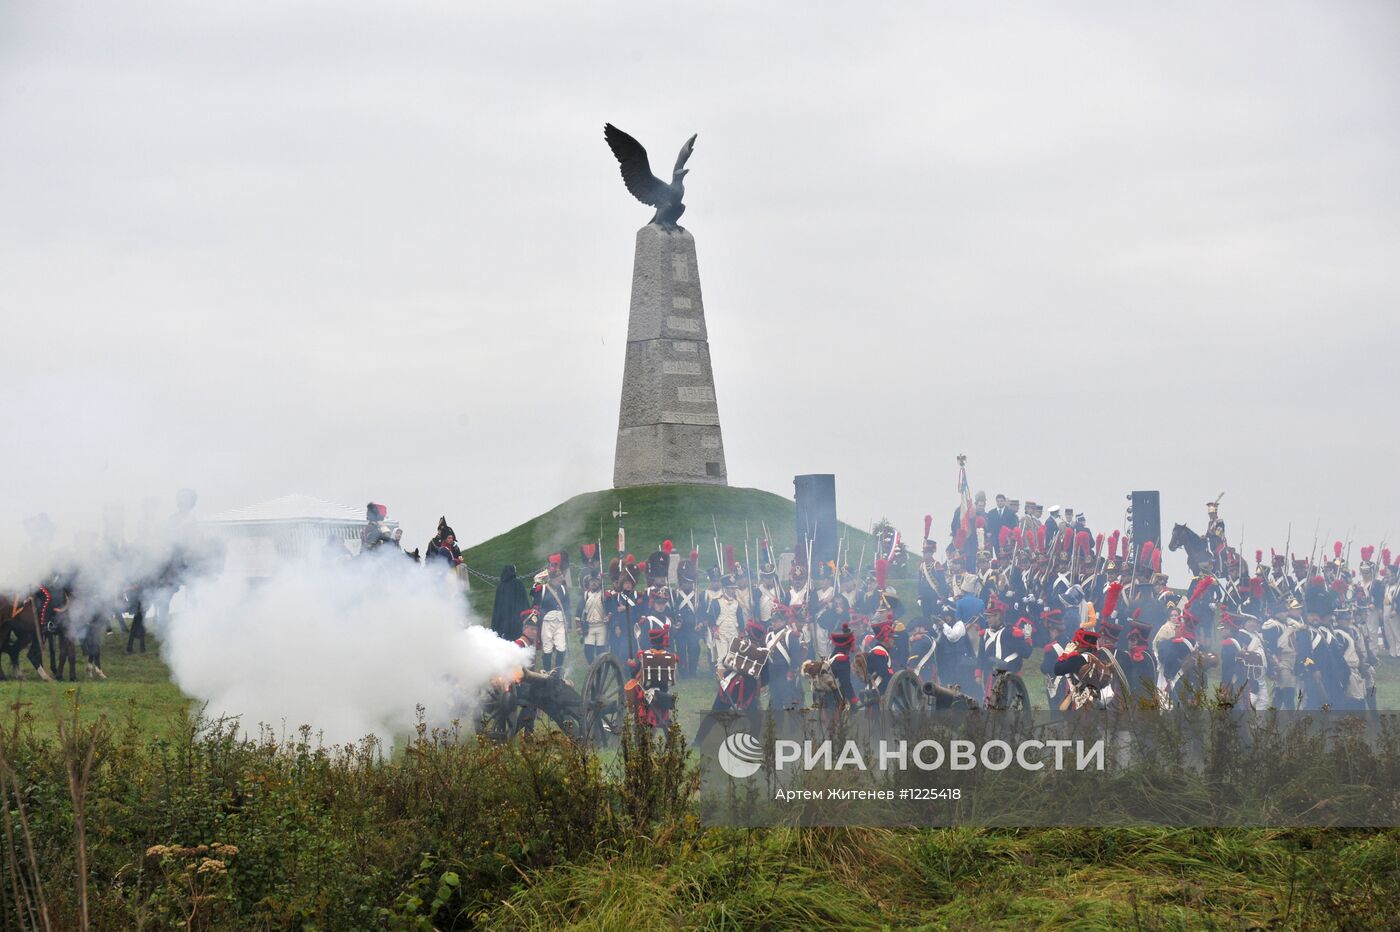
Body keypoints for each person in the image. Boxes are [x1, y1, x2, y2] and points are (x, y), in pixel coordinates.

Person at [536, 556, 571, 674]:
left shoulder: (563, 589)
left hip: (560, 621)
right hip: (547, 621)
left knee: (561, 647)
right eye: (559, 575)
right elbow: (536, 604)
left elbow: (567, 607)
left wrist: (569, 623)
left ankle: (557, 671)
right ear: (554, 578)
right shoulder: (544, 589)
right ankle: (546, 670)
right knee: (547, 647)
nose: (561, 577)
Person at [490, 565, 531, 642]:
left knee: (504, 639)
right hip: (517, 618)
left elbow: (497, 606)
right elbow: (524, 600)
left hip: (503, 618)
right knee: (517, 639)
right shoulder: (518, 583)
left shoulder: (500, 586)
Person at [578, 573, 609, 664]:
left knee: (600, 651)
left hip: (601, 626)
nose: (594, 583)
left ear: (599, 582)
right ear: (589, 582)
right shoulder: (585, 595)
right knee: (588, 651)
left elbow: (610, 609)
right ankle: (593, 667)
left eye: (596, 581)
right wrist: (578, 627)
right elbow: (579, 612)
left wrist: (608, 617)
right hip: (589, 627)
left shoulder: (604, 594)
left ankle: (599, 668)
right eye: (592, 581)